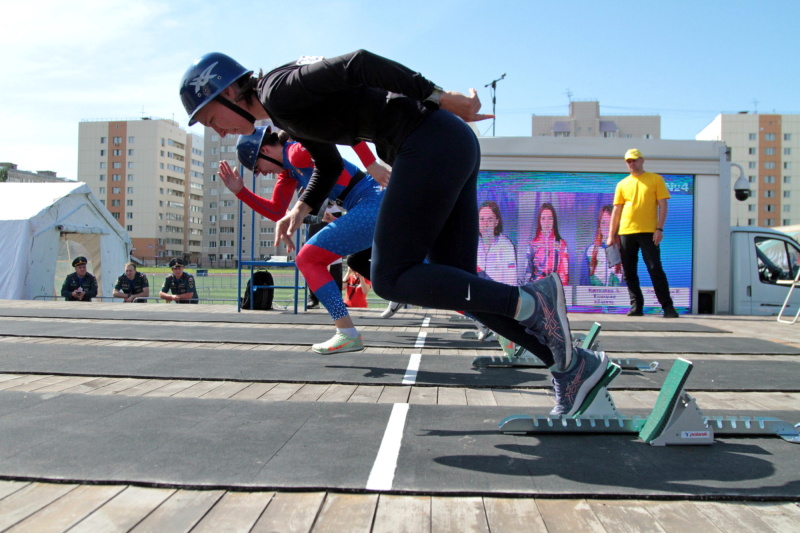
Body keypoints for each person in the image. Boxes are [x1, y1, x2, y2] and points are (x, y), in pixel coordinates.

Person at [180, 50, 615, 416]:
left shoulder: (279, 88)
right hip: (444, 143)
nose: (215, 129)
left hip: (428, 140)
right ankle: (573, 366)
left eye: (210, 117)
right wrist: (299, 209)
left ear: (231, 91)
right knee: (458, 286)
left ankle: (532, 300)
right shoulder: (284, 115)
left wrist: (441, 97)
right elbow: (328, 166)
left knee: (390, 277)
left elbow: (358, 63)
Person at [218, 125, 384, 353]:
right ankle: (451, 298)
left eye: (257, 167)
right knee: (414, 272)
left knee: (307, 258)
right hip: (367, 205)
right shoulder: (287, 172)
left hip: (371, 200)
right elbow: (278, 211)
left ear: (265, 150)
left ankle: (347, 333)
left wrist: (371, 163)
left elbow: (345, 131)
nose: (262, 173)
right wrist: (241, 192)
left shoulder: (295, 152)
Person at [607, 149, 678, 318]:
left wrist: (659, 229)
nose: (631, 164)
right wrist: (611, 235)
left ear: (642, 160)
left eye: (634, 160)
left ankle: (668, 307)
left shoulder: (655, 179)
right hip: (626, 232)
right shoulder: (622, 184)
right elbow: (616, 211)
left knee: (655, 268)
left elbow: (663, 205)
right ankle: (636, 306)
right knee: (629, 271)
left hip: (648, 232)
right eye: (628, 161)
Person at [521, 203, 569, 286]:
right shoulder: (532, 244)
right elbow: (528, 272)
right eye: (543, 218)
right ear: (539, 221)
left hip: (555, 289)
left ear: (554, 221)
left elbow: (564, 272)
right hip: (536, 288)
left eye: (550, 218)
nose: (547, 222)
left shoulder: (562, 244)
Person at [478, 200, 517, 284]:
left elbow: (511, 282)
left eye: (490, 219)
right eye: (482, 219)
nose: (485, 224)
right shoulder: (472, 244)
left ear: (496, 222)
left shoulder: (506, 246)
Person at [584, 205, 623, 286]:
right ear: (599, 224)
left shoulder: (622, 250)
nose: (606, 227)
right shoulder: (590, 251)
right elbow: (583, 282)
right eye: (603, 222)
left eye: (610, 223)